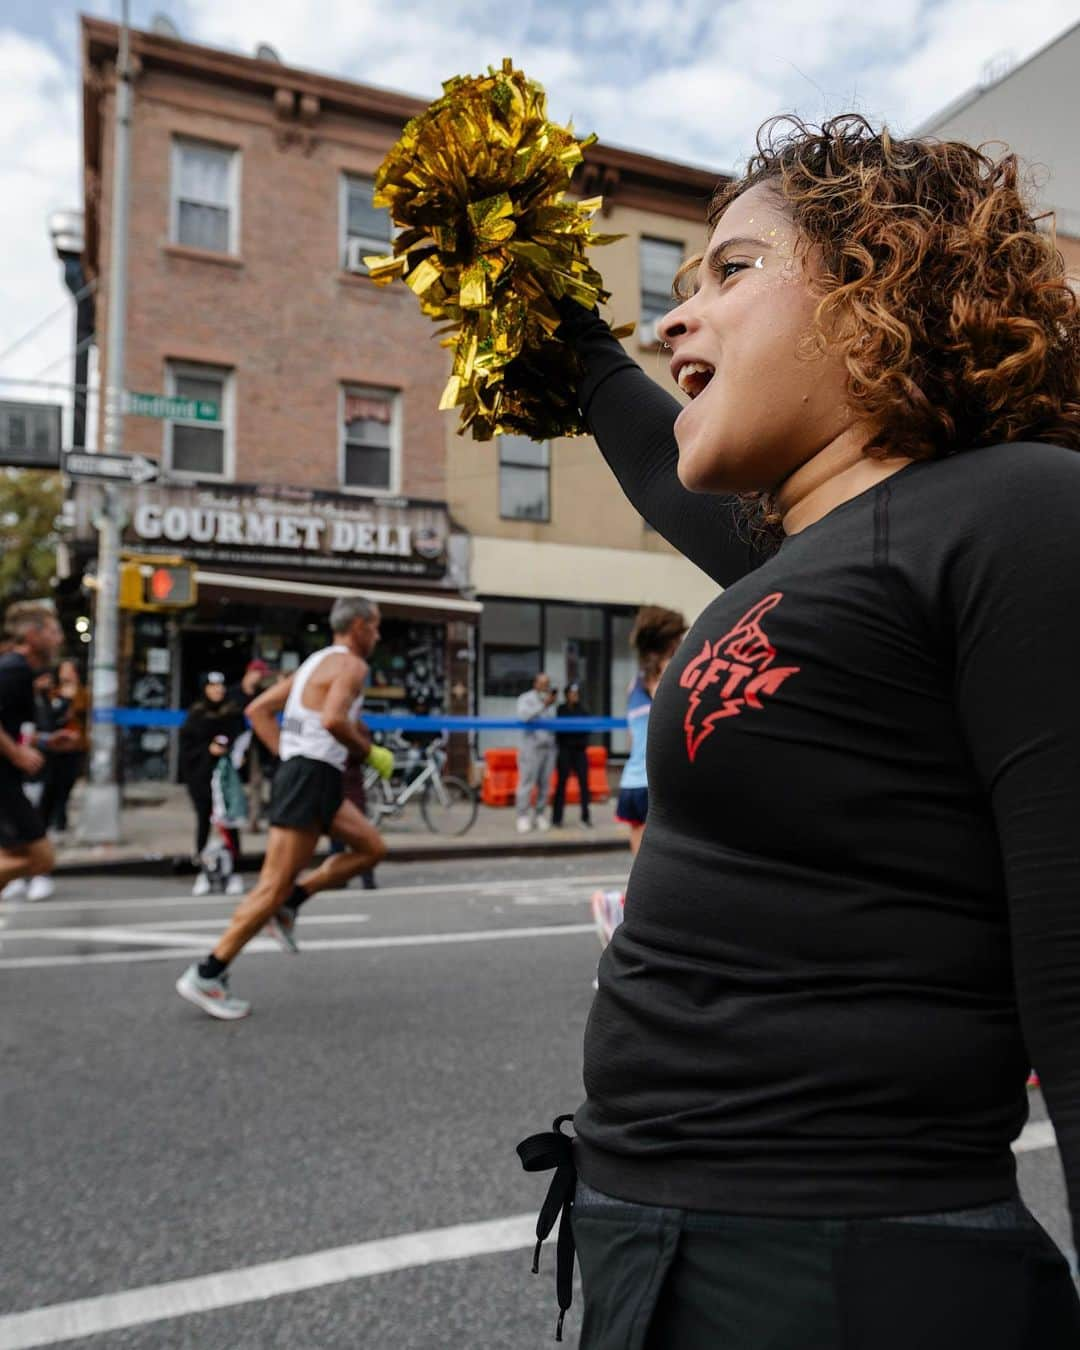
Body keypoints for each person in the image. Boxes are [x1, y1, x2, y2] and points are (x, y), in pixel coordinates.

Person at [520, 116, 1080, 1346]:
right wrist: (553, 324)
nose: (676, 320)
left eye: (731, 270)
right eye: (675, 292)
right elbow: (660, 464)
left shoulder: (1026, 511)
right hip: (662, 1243)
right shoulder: (806, 549)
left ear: (881, 284)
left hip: (841, 1270)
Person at [175, 595, 390, 1020]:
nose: (379, 635)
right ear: (361, 625)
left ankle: (294, 901)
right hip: (311, 777)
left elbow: (259, 710)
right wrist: (368, 753)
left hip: (315, 776)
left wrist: (287, 755)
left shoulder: (315, 662)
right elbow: (332, 720)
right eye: (377, 626)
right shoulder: (351, 665)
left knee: (370, 848)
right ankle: (207, 973)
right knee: (270, 886)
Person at [590, 606, 686, 952]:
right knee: (665, 872)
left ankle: (635, 930)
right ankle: (619, 908)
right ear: (669, 641)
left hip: (632, 782)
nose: (683, 642)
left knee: (646, 869)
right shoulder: (669, 675)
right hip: (655, 779)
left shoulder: (634, 683)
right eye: (680, 637)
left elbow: (635, 737)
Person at [0, 603, 77, 902]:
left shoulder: (21, 671)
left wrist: (45, 741)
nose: (59, 639)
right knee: (42, 859)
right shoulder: (13, 669)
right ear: (33, 635)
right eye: (53, 631)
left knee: (12, 856)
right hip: (4, 782)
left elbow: (15, 729)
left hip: (9, 779)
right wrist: (17, 754)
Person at [178, 672, 247, 896]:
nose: (218, 690)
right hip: (202, 778)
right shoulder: (196, 714)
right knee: (204, 823)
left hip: (227, 779)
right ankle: (204, 872)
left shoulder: (232, 713)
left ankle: (233, 871)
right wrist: (208, 750)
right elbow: (187, 749)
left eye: (221, 686)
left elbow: (242, 739)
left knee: (230, 824)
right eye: (213, 686)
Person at [40, 658, 87, 837]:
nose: (64, 673)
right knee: (52, 784)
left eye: (67, 669)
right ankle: (50, 820)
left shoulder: (83, 693)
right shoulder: (54, 692)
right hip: (55, 745)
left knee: (66, 785)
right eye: (62, 669)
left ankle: (60, 820)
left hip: (74, 746)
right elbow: (50, 716)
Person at [229, 658, 272, 831]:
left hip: (256, 744)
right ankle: (230, 816)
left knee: (256, 781)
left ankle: (253, 820)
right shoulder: (233, 693)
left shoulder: (261, 694)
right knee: (231, 779)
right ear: (250, 672)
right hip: (235, 742)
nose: (260, 678)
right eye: (259, 674)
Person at [515, 672, 557, 833]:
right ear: (535, 684)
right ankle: (522, 816)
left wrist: (548, 704)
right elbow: (523, 716)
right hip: (530, 748)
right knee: (526, 783)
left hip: (549, 747)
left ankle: (539, 814)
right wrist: (543, 706)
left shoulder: (551, 702)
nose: (545, 686)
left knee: (545, 785)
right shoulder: (526, 699)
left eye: (547, 683)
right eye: (542, 683)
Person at [551, 684, 592, 830]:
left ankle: (585, 817)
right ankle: (557, 818)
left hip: (580, 751)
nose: (575, 696)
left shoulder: (583, 710)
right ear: (567, 694)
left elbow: (586, 731)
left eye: (577, 693)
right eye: (572, 693)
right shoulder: (561, 710)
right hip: (565, 751)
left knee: (584, 785)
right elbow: (558, 731)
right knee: (561, 785)